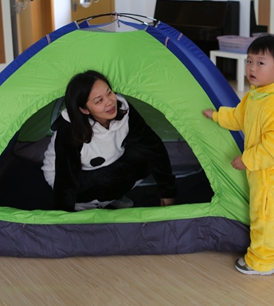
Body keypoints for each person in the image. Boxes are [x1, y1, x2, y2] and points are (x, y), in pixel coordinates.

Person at [203, 34, 274, 275]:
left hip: (270, 178)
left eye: (260, 63)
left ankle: (260, 262)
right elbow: (239, 117)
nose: (252, 68)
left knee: (267, 218)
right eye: (249, 61)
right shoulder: (256, 95)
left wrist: (247, 159)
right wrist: (217, 116)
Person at [41, 70, 176, 211]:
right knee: (118, 177)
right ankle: (86, 204)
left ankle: (109, 198)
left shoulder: (123, 109)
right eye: (99, 100)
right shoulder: (71, 130)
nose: (110, 102)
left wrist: (167, 192)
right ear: (84, 110)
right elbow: (66, 179)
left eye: (109, 93)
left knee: (147, 158)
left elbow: (153, 147)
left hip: (109, 162)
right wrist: (64, 216)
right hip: (69, 175)